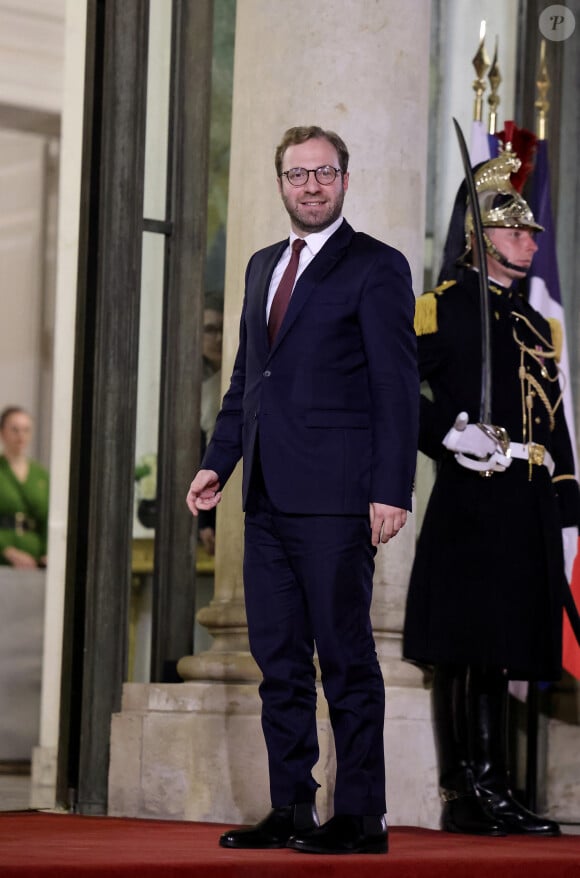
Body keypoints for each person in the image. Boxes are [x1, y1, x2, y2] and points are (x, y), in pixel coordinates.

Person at [186, 125, 419, 854]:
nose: (310, 186)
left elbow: (395, 384)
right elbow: (244, 383)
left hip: (339, 499)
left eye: (323, 173)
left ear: (344, 180)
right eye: (296, 175)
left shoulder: (377, 266)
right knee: (278, 662)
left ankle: (363, 814)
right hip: (266, 500)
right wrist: (217, 462)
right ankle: (293, 807)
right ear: (280, 182)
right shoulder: (261, 266)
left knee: (346, 656)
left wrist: (392, 489)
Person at [403, 147, 580, 837]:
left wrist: (568, 503)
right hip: (474, 494)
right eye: (516, 230)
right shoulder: (442, 308)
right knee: (464, 644)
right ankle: (465, 793)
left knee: (506, 645)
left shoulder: (536, 324)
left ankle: (497, 786)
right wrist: (445, 436)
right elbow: (392, 386)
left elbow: (555, 419)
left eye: (533, 232)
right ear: (480, 238)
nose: (530, 240)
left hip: (528, 498)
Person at [0, 406, 49, 568]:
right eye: (15, 430)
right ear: (2, 432)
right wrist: (6, 550)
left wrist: (48, 553)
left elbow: (48, 518)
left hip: (35, 562)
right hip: (3, 558)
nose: (21, 436)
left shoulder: (40, 475)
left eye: (26, 430)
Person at [198, 295, 224, 557]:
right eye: (209, 330)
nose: (217, 338)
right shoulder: (196, 386)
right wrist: (205, 522)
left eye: (221, 328)